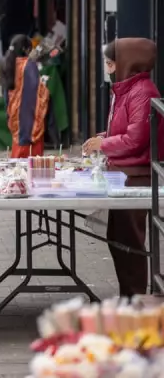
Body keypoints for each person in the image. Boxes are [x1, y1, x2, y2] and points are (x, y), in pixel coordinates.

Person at [83, 39, 163, 297]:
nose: (107, 69)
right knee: (118, 238)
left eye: (110, 63)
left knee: (130, 241)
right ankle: (128, 295)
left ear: (126, 63)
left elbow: (136, 139)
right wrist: (103, 137)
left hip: (136, 177)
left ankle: (136, 298)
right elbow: (123, 130)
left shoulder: (142, 91)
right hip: (122, 174)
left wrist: (103, 143)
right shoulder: (125, 90)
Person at [2, 35, 49, 158]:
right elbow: (38, 93)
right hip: (30, 122)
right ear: (25, 49)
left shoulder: (8, 64)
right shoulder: (28, 65)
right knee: (33, 165)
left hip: (16, 122)